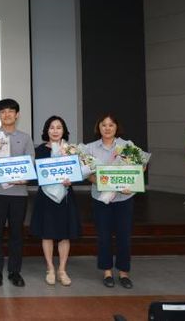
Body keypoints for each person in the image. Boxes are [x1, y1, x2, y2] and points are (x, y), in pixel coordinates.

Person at [0, 99, 34, 288]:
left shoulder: (25, 138)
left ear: (17, 115)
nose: (7, 114)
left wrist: (20, 175)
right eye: (3, 111)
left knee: (16, 233)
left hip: (19, 193)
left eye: (11, 111)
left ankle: (14, 271)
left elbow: (30, 163)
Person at [29, 115, 82, 287]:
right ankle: (50, 268)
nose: (55, 131)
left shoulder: (71, 150)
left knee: (64, 235)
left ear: (64, 130)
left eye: (59, 127)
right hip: (46, 197)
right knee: (47, 233)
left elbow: (79, 172)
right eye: (51, 127)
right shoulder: (39, 150)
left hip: (65, 196)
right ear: (46, 131)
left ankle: (62, 270)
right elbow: (35, 175)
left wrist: (72, 179)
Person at [84, 113, 136, 289]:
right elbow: (87, 175)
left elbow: (140, 167)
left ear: (116, 127)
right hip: (101, 198)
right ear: (98, 127)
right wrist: (103, 181)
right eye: (104, 125)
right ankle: (107, 272)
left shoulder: (127, 146)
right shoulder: (90, 148)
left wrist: (131, 183)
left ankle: (123, 272)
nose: (107, 128)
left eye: (111, 125)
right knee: (104, 236)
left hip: (124, 198)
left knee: (124, 236)